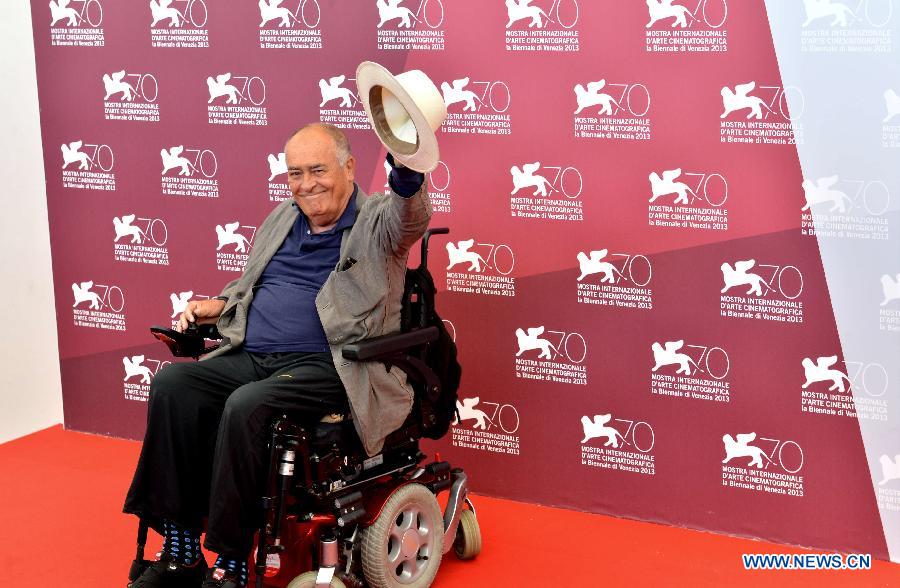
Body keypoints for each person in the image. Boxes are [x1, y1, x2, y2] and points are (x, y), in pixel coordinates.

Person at [124, 123, 431, 588]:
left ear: (349, 167)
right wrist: (218, 305)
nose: (306, 184)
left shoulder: (376, 221)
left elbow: (410, 218)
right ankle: (182, 546)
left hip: (329, 365)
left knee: (247, 405)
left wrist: (406, 174)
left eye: (317, 170)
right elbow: (251, 284)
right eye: (295, 173)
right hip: (255, 353)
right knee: (173, 386)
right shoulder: (283, 217)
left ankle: (230, 562)